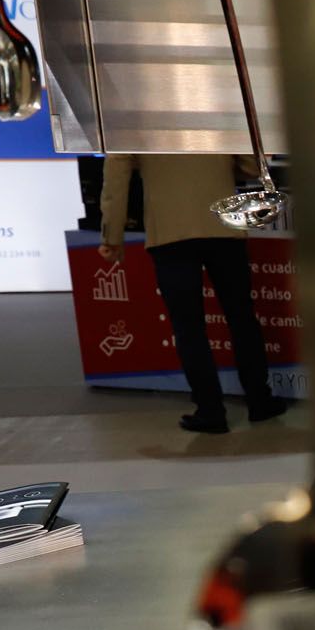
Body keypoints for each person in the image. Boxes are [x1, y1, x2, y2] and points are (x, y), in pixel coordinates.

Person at [100, 153, 289, 435]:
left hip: (169, 232)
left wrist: (112, 236)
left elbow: (116, 178)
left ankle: (210, 411)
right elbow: (249, 166)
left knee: (189, 327)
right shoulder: (214, 109)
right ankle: (260, 401)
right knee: (241, 318)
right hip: (224, 227)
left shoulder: (132, 117)